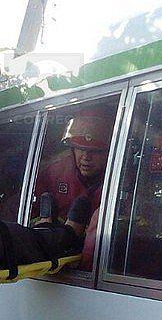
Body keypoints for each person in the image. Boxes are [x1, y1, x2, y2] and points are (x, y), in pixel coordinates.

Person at [32, 108, 114, 266]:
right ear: (72, 149)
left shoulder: (118, 180)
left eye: (95, 151)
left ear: (109, 153)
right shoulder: (53, 173)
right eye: (81, 148)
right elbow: (23, 214)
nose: (86, 157)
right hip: (50, 258)